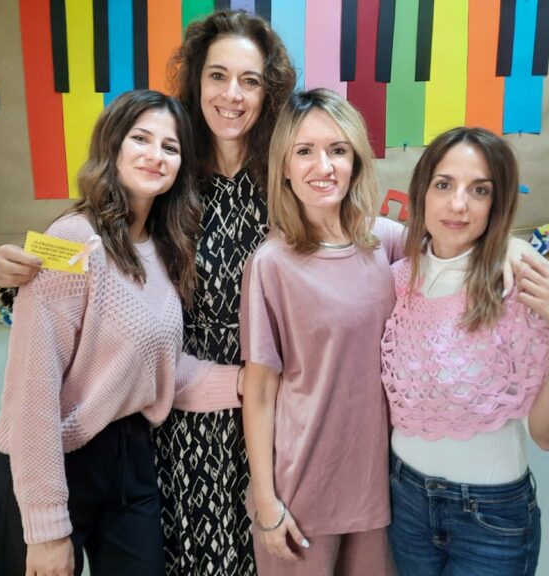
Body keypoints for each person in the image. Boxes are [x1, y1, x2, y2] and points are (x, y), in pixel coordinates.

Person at [0, 11, 296, 575]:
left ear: (268, 92)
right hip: (169, 424)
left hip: (257, 402)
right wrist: (10, 276)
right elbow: (66, 275)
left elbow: (344, 240)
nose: (231, 94)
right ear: (196, 81)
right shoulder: (169, 178)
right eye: (217, 75)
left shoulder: (284, 181)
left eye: (250, 80)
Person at [380, 127, 549, 576]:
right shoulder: (397, 279)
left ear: (496, 203)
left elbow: (548, 435)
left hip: (489, 517)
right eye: (444, 184)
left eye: (479, 190)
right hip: (405, 502)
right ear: (421, 191)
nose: (458, 204)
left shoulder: (518, 284)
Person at [240, 88, 403, 575]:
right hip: (302, 491)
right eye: (305, 151)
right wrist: (266, 502)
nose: (323, 166)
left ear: (356, 160)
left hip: (382, 488)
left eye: (337, 150)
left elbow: (463, 249)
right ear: (285, 168)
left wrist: (515, 251)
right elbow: (259, 390)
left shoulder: (386, 242)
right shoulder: (271, 263)